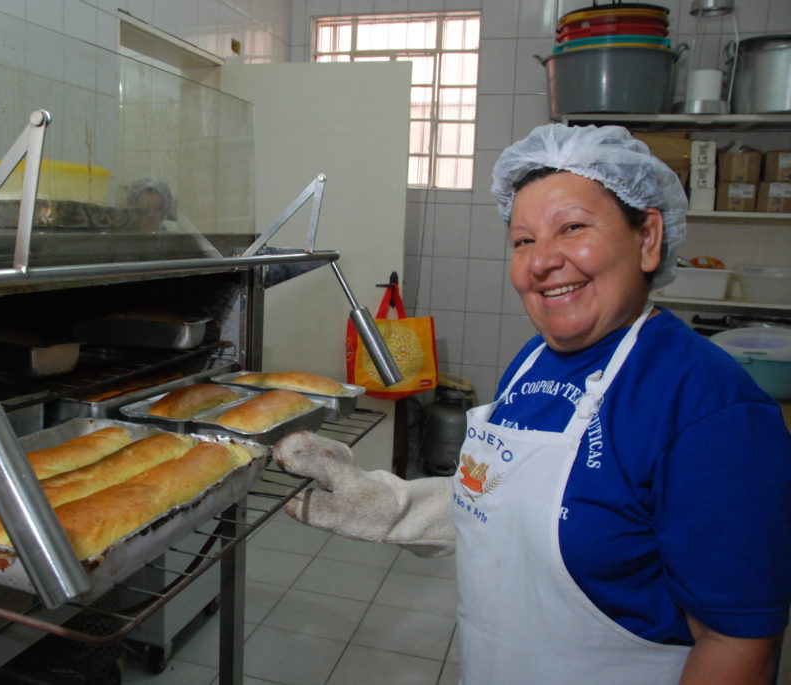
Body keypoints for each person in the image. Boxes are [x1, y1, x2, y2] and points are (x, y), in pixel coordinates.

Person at [273, 123, 791, 684]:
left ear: (648, 239)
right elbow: (518, 501)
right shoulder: (536, 359)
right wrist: (390, 506)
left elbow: (738, 641)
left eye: (572, 227)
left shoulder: (709, 409)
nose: (542, 261)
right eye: (523, 241)